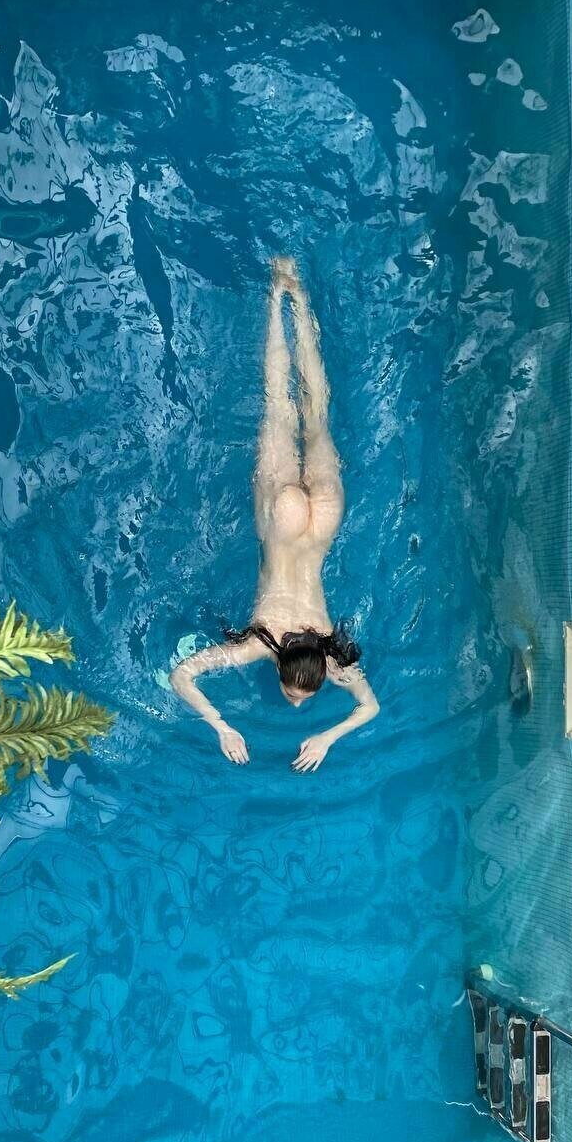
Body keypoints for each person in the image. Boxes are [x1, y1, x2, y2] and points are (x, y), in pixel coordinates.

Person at [170, 257, 380, 771]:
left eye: (298, 697)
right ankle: (277, 295)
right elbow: (181, 676)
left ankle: (294, 296)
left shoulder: (329, 653)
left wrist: (323, 735)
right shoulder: (255, 644)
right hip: (282, 522)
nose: (298, 704)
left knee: (312, 412)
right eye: (294, 694)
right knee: (279, 407)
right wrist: (222, 724)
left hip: (323, 518)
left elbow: (369, 706)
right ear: (282, 661)